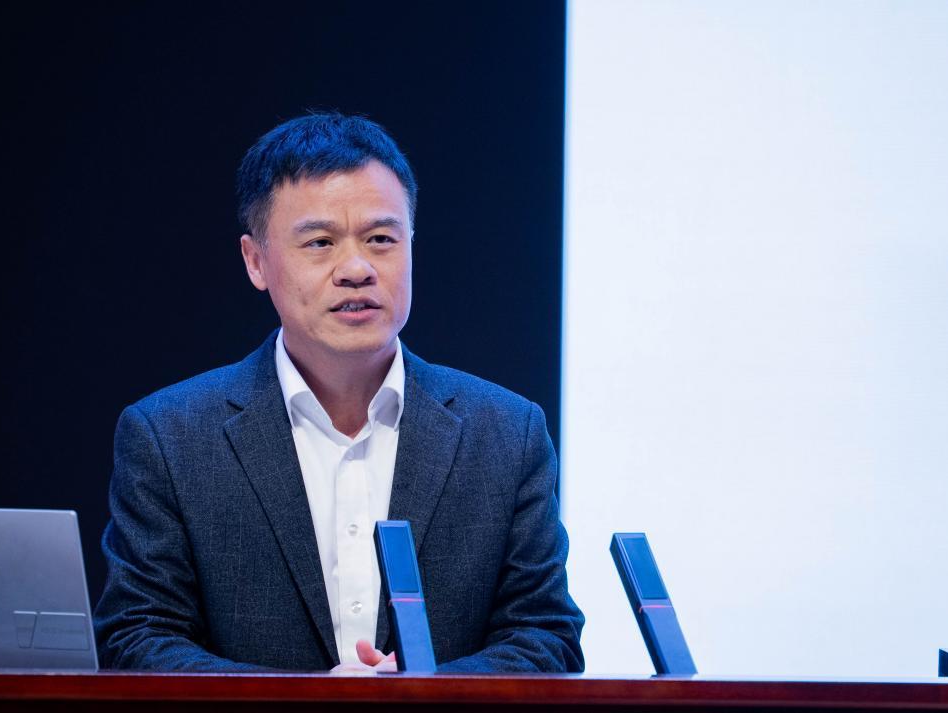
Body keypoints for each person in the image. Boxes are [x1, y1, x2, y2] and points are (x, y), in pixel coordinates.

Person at [93, 112, 584, 673]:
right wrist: (311, 702)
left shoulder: (507, 434)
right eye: (320, 242)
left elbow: (546, 638)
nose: (356, 268)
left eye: (381, 240)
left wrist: (421, 694)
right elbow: (138, 638)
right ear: (256, 261)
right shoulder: (169, 438)